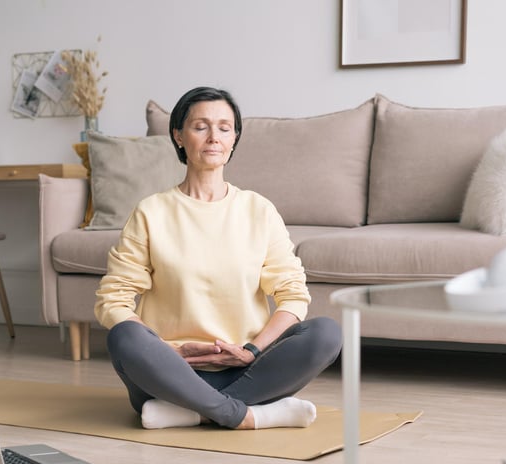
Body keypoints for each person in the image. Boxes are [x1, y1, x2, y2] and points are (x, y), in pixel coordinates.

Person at [94, 87, 342, 430]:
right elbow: (113, 300)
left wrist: (252, 351)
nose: (214, 138)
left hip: (248, 371)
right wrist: (169, 352)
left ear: (234, 138)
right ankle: (243, 416)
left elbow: (293, 295)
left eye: (224, 128)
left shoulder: (259, 210)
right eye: (201, 127)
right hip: (169, 374)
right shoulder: (151, 212)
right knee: (123, 337)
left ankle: (194, 412)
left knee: (327, 332)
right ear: (179, 136)